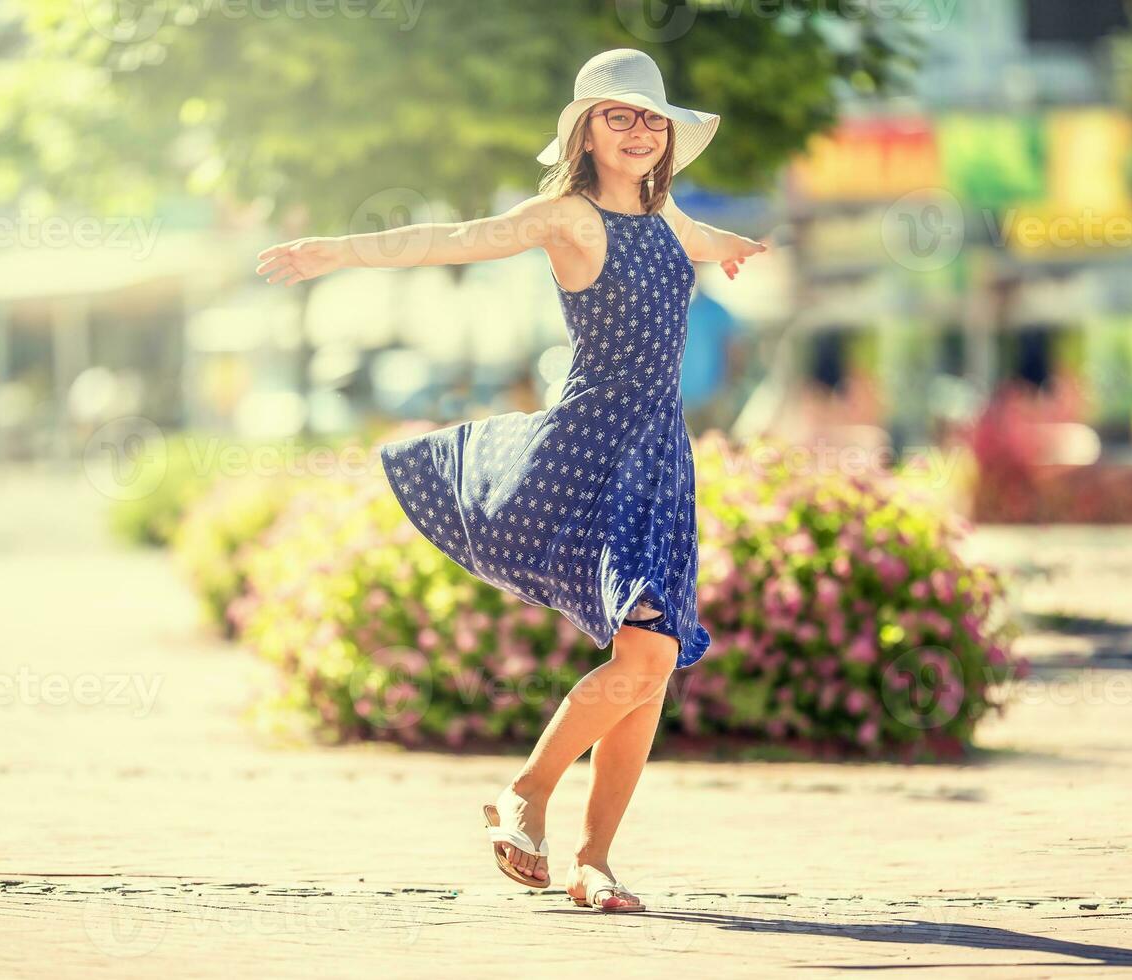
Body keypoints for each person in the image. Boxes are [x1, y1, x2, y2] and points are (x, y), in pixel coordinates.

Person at [255, 48, 764, 913]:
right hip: (590, 446)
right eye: (619, 116)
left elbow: (703, 242)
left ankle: (593, 858)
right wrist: (331, 252)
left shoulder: (671, 218)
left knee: (653, 661)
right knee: (646, 651)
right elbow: (448, 240)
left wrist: (737, 247)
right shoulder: (565, 217)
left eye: (651, 119)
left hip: (660, 459)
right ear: (585, 132)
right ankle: (527, 793)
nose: (638, 131)